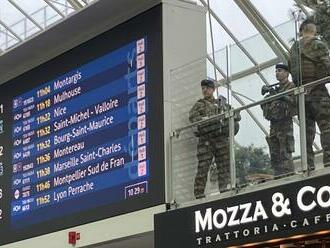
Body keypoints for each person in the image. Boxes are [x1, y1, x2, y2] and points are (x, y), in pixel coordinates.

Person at [289, 19, 330, 169]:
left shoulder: (293, 49)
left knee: (307, 135)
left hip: (302, 95)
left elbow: (291, 71)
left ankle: (309, 167)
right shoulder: (317, 44)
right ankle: (328, 164)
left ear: (301, 30)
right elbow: (328, 66)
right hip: (318, 92)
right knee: (327, 128)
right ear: (314, 30)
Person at [189, 79, 240, 199]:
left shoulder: (222, 104)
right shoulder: (199, 104)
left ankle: (225, 191)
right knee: (203, 168)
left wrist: (224, 114)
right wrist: (206, 119)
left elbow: (237, 115)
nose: (204, 90)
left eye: (207, 88)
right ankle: (199, 194)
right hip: (206, 140)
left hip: (220, 139)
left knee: (224, 167)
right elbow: (193, 118)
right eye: (203, 88)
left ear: (213, 89)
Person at [261, 64, 296, 176]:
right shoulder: (276, 89)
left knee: (285, 153)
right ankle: (278, 177)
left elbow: (294, 102)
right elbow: (265, 104)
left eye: (280, 71)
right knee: (275, 155)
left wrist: (280, 95)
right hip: (274, 125)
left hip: (285, 124)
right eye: (276, 71)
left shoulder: (291, 86)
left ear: (287, 73)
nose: (277, 73)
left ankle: (289, 176)